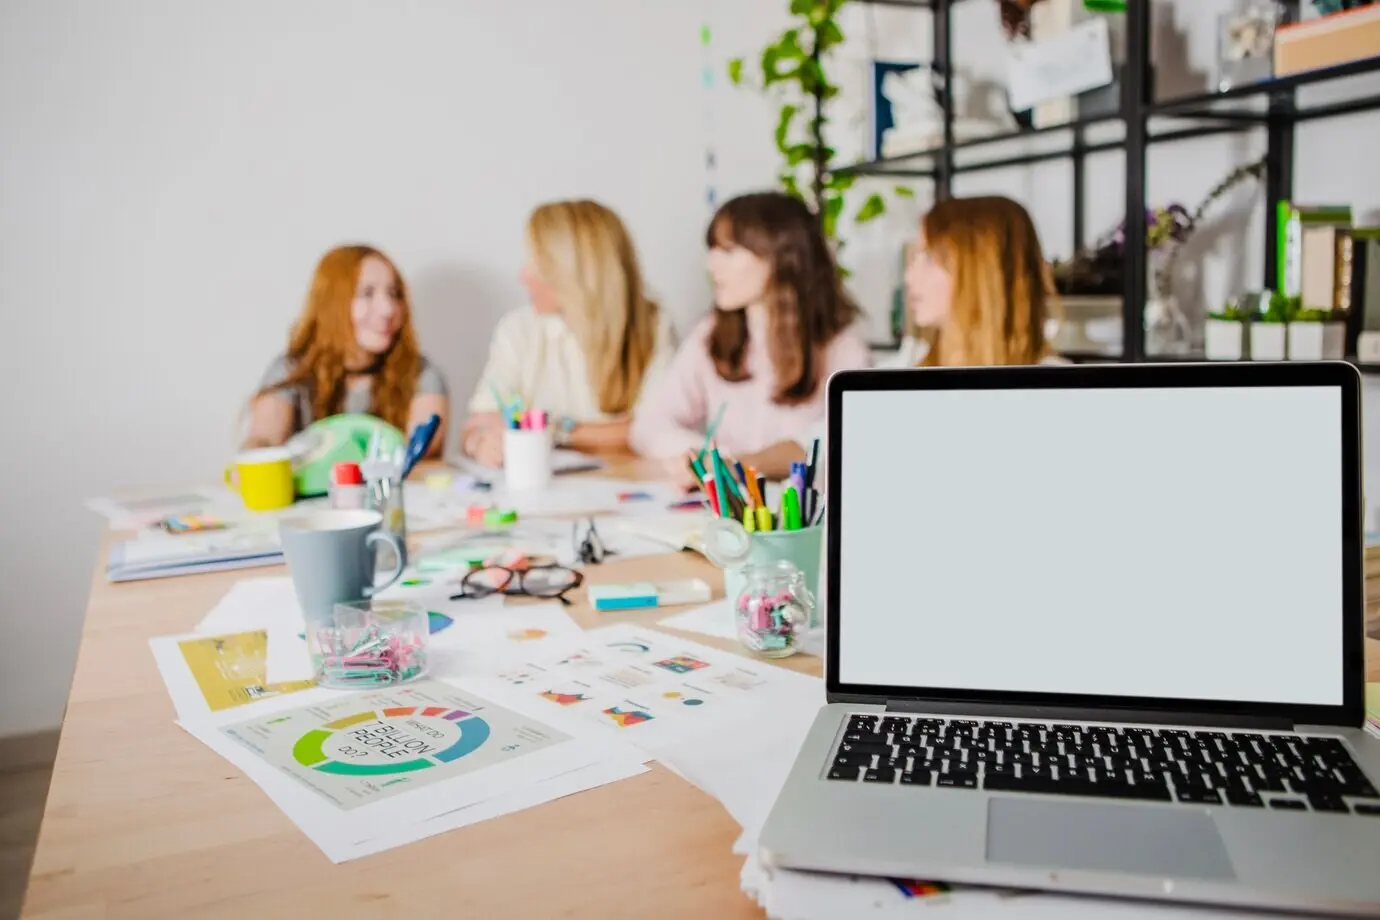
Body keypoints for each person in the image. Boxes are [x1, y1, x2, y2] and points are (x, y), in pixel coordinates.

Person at [750, 193, 1066, 481]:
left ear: (980, 269)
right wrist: (731, 466)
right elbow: (817, 447)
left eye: (928, 259)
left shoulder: (1061, 392)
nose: (909, 277)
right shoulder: (907, 367)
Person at [629, 191, 872, 484]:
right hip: (728, 514)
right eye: (712, 250)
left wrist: (738, 464)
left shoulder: (842, 348)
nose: (711, 266)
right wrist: (703, 458)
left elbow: (830, 446)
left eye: (728, 251)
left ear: (782, 258)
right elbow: (648, 425)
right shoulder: (711, 334)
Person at [460, 199, 676, 466]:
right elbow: (479, 421)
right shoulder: (518, 329)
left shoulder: (653, 328)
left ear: (571, 274)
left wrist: (552, 430)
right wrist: (481, 441)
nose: (523, 275)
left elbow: (649, 431)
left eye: (536, 265)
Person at [245, 245, 449, 452]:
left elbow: (424, 456)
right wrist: (256, 452)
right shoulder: (291, 370)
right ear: (331, 304)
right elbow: (263, 442)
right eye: (367, 293)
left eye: (394, 293)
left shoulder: (421, 375)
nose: (388, 309)